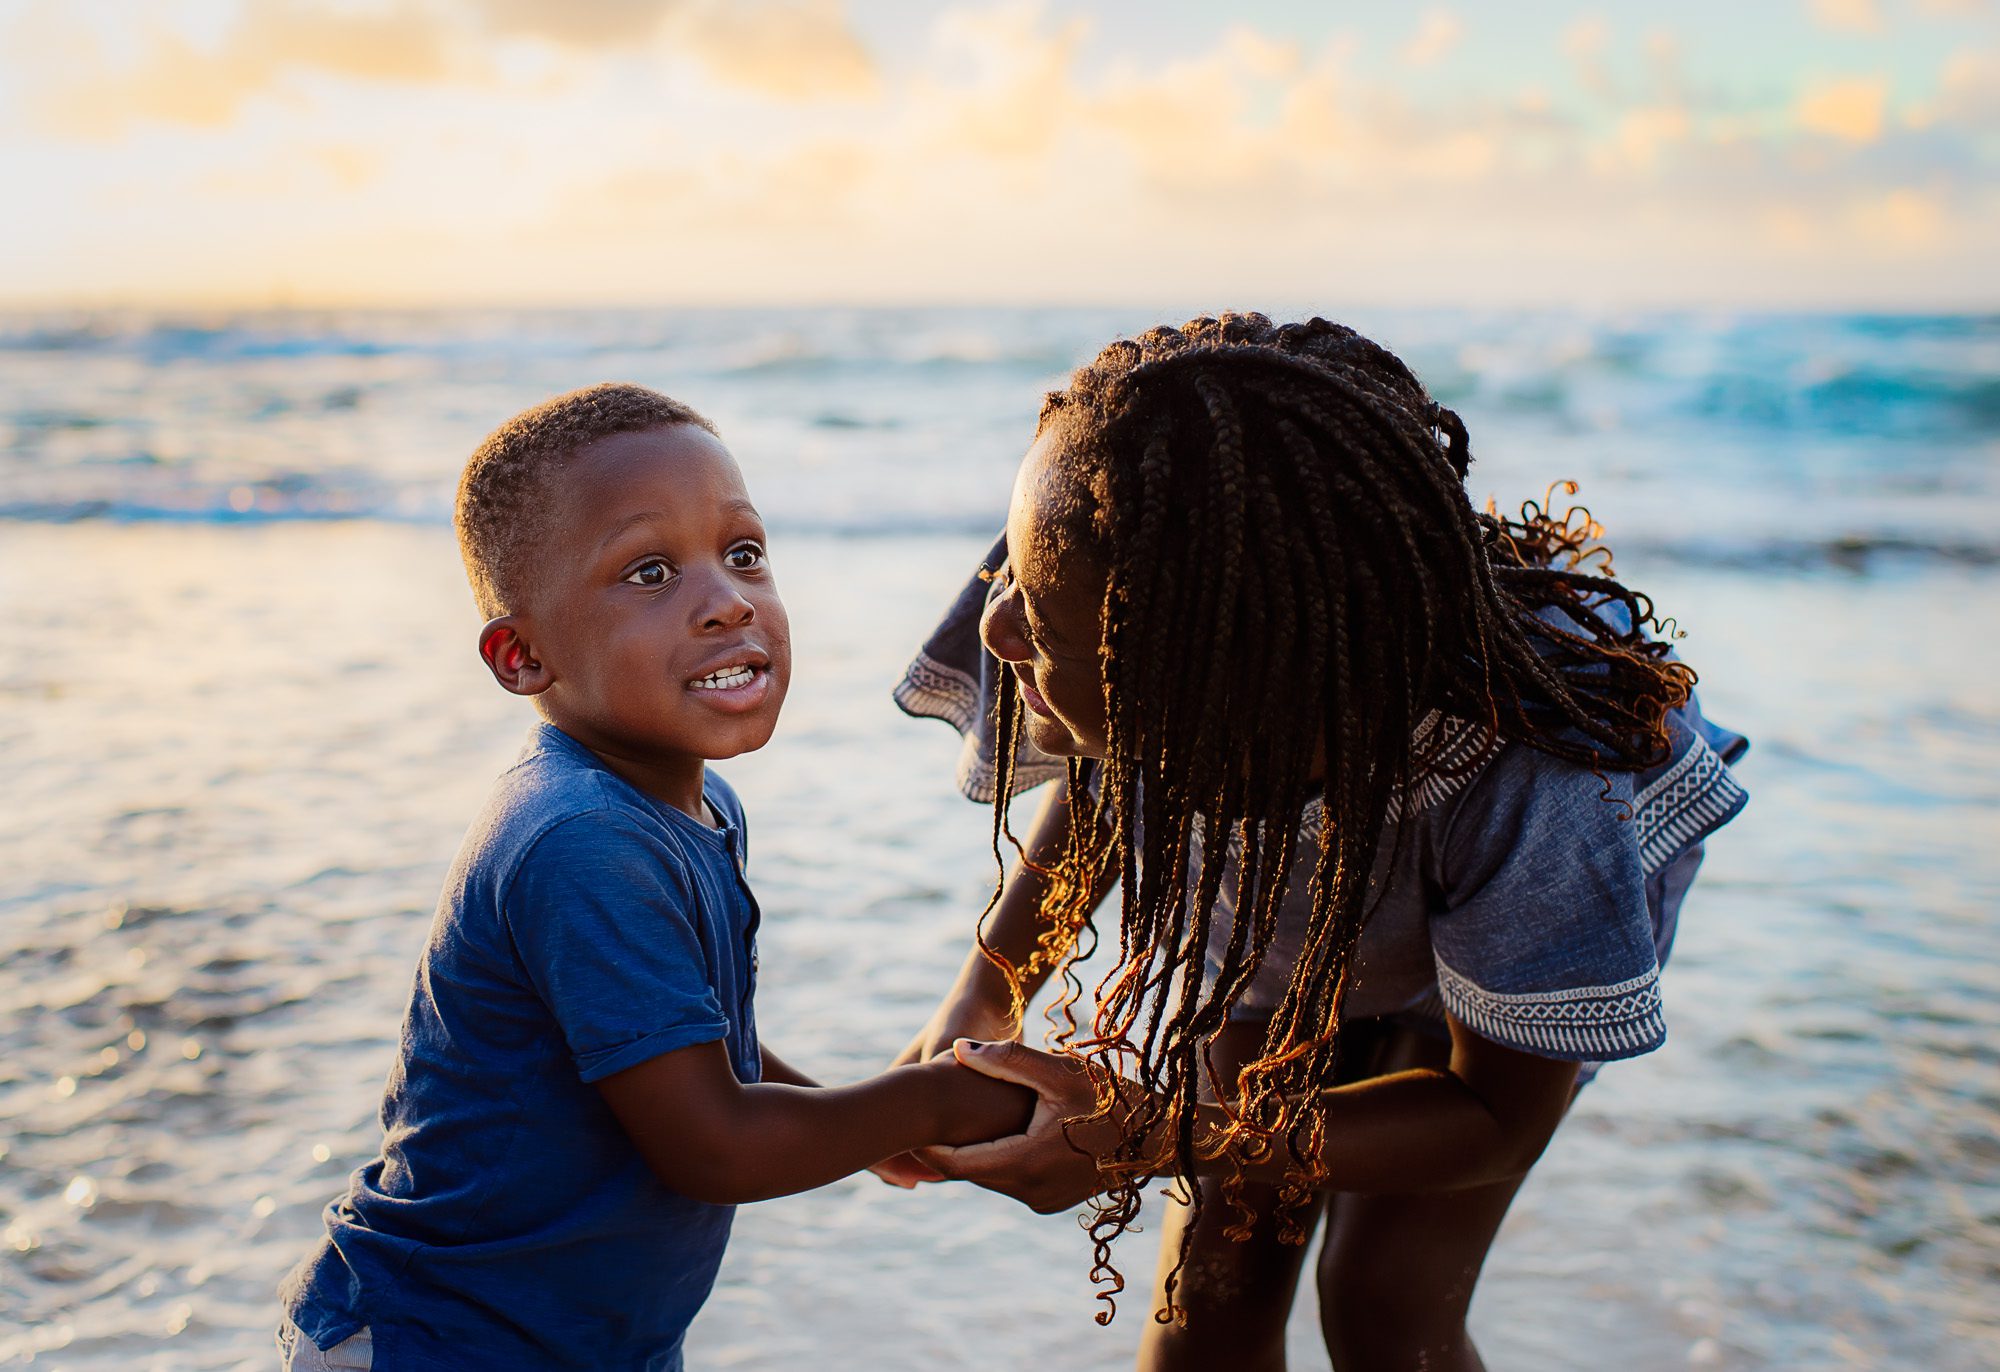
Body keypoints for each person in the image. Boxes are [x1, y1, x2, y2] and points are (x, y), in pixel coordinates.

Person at [891, 315, 1749, 1371]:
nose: (996, 625)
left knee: (1385, 1302)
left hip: (1499, 913)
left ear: (1218, 677)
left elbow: (1494, 1119)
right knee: (1209, 1294)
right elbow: (1106, 765)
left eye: (1043, 624)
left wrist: (1157, 1130)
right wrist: (988, 986)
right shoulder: (1088, 550)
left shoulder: (1541, 787)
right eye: (1011, 579)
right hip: (1282, 892)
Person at [278, 384, 1029, 1372]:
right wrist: (936, 1102)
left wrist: (860, 1119)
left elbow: (697, 1050)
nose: (727, 600)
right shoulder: (580, 842)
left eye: (744, 553)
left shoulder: (697, 807)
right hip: (443, 1339)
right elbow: (713, 1144)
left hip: (580, 1343)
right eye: (650, 571)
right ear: (521, 655)